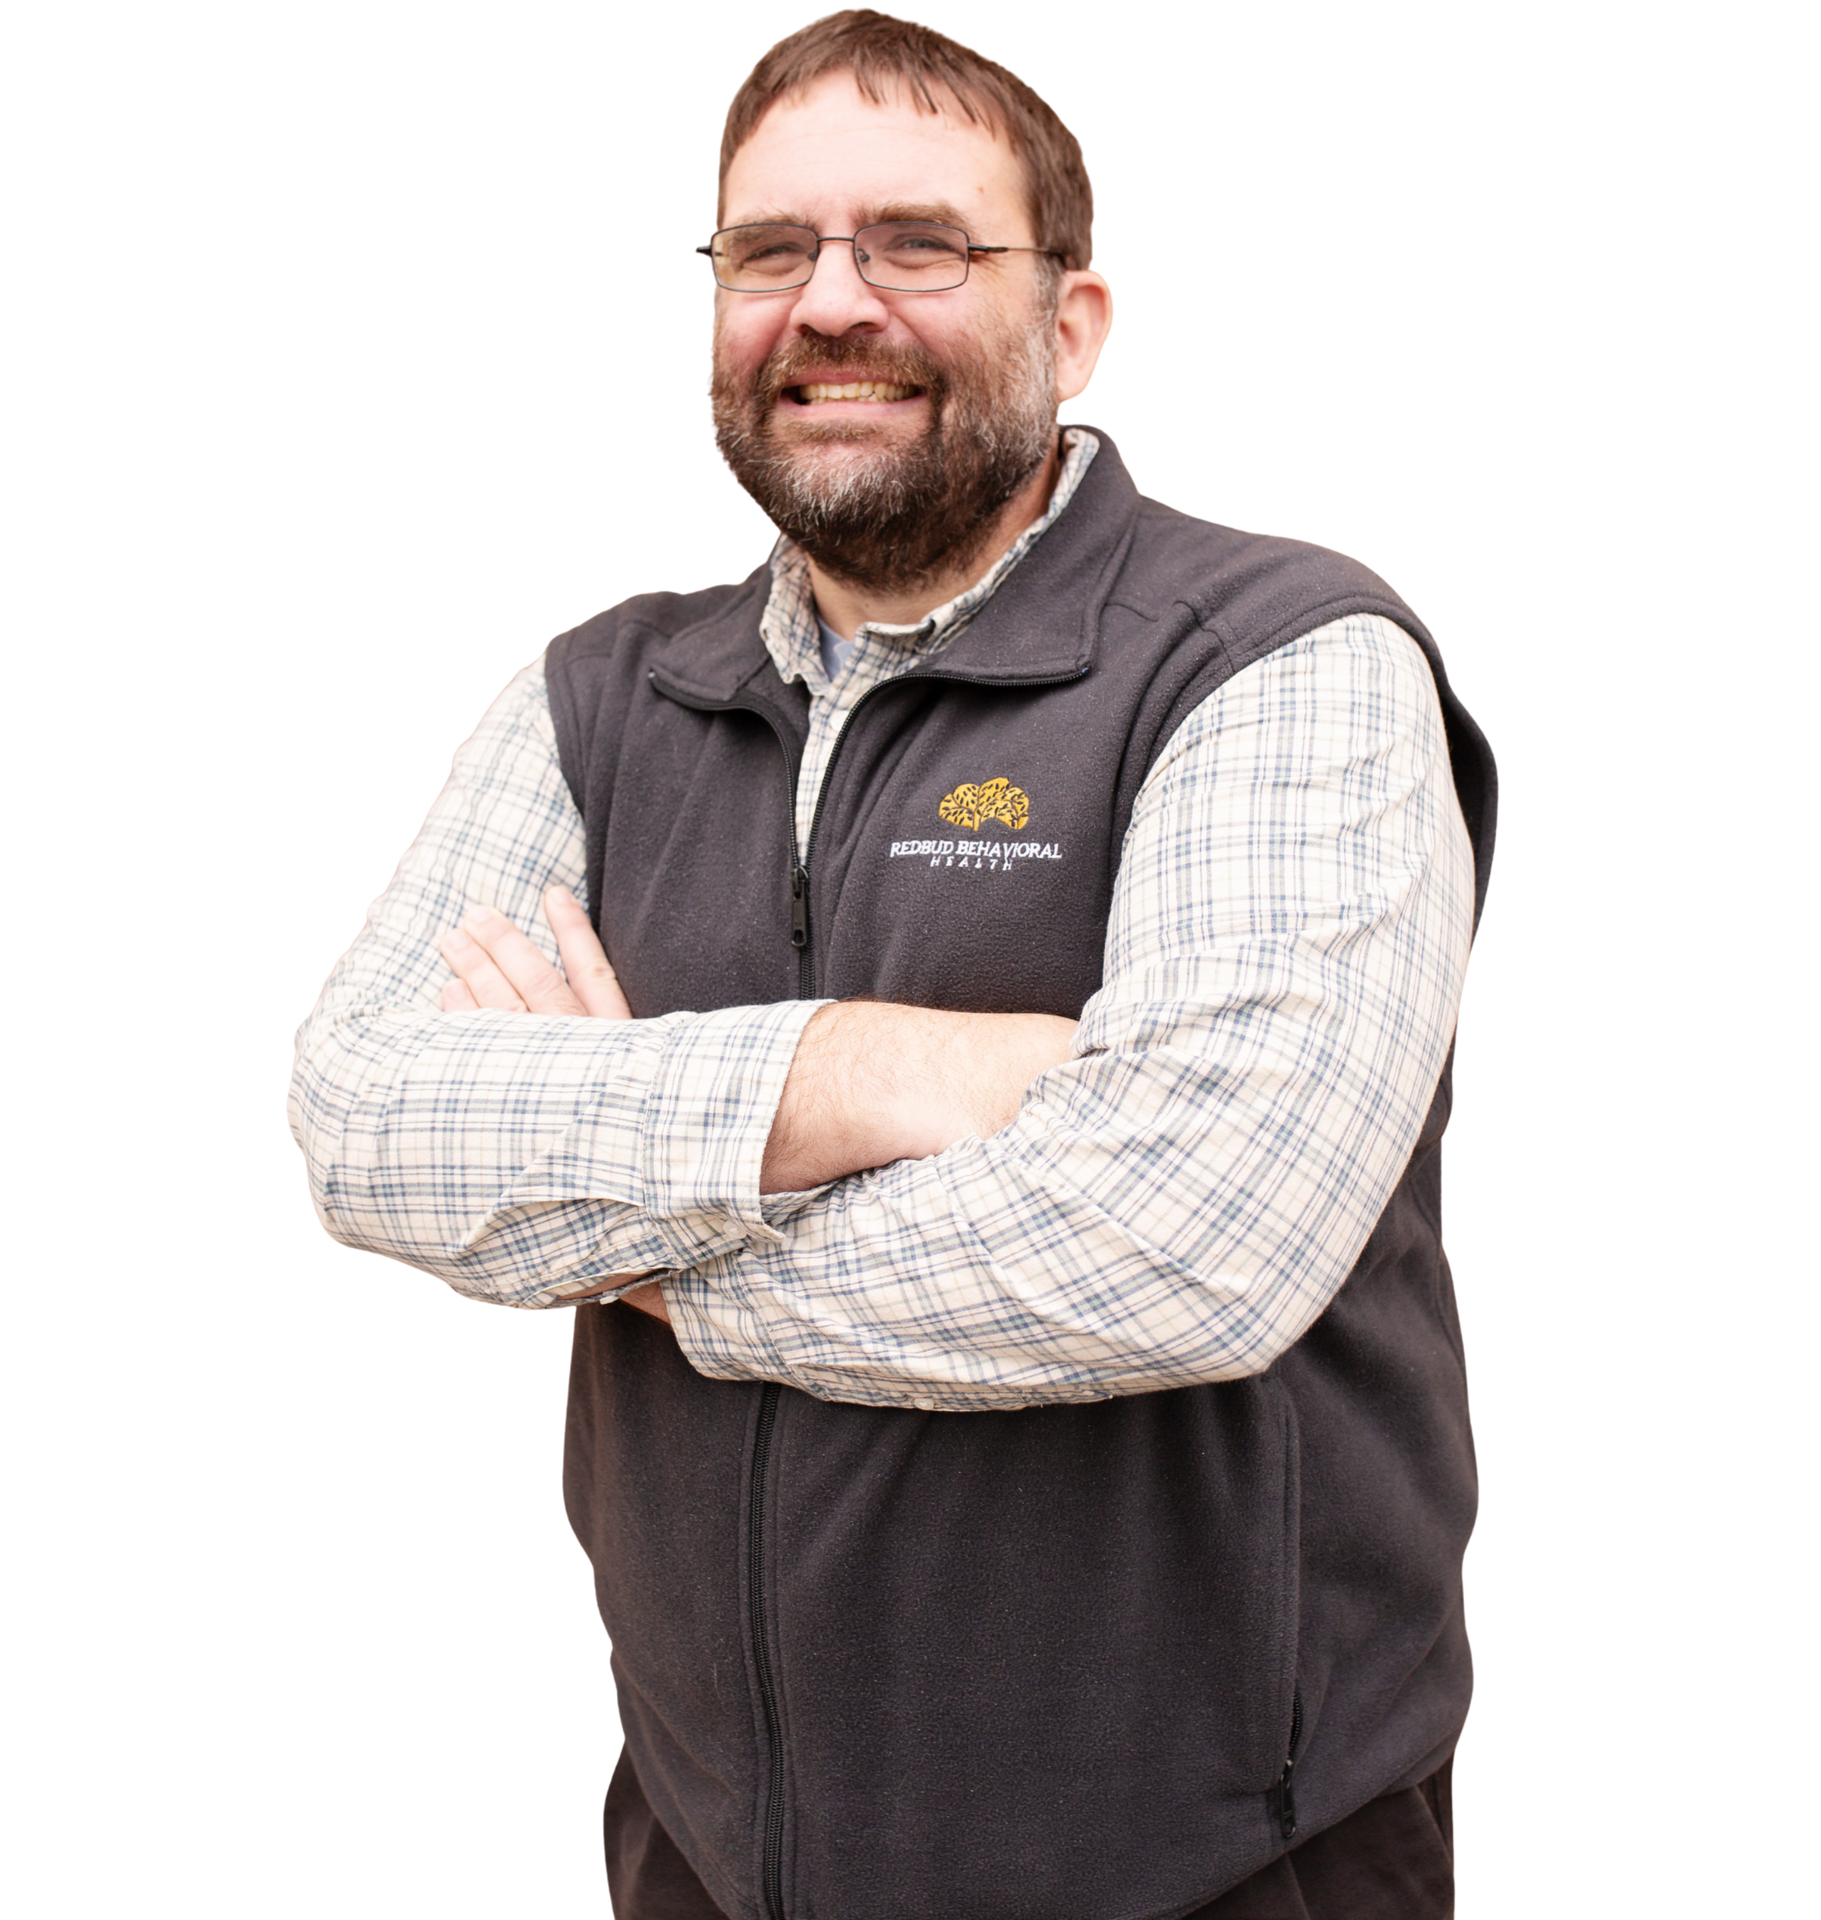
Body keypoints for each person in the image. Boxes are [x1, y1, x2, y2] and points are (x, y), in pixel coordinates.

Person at [284, 10, 1499, 1916]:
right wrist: (870, 1070)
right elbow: (363, 1126)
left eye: (918, 244)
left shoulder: (1280, 657)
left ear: (1074, 325)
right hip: (704, 1846)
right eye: (768, 251)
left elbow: (1178, 1248)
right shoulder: (599, 692)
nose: (830, 303)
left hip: (1213, 1861)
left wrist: (636, 1252)